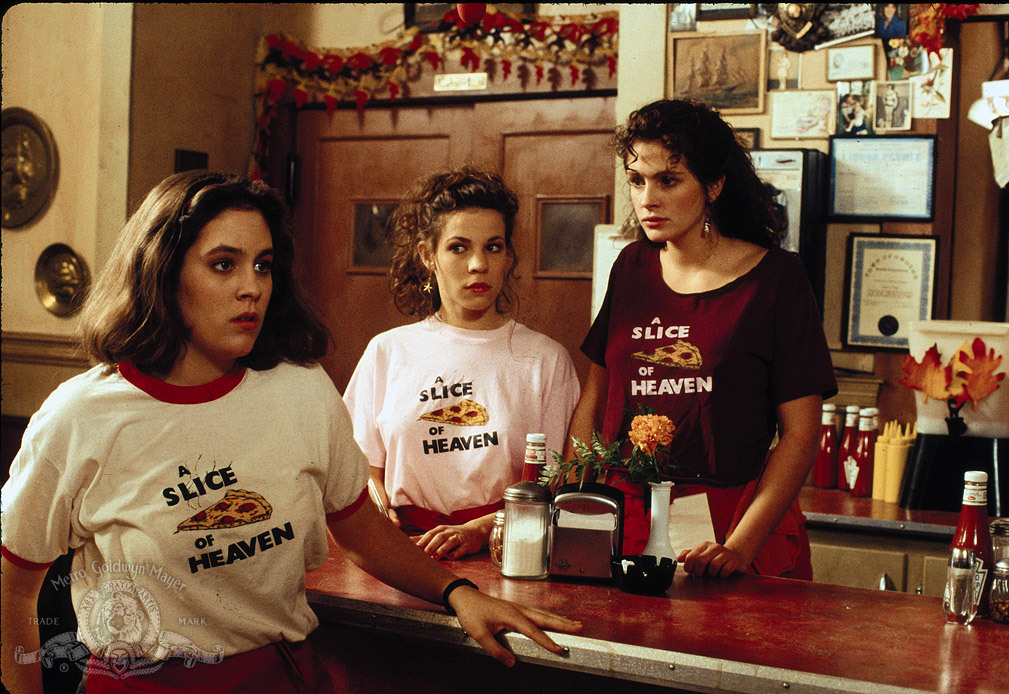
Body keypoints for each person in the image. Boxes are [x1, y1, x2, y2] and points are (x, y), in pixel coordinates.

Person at [0, 170, 582, 694]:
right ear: (163, 269)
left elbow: (361, 532)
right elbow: (13, 593)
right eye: (223, 264)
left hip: (279, 676)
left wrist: (459, 594)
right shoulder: (81, 416)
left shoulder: (299, 389)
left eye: (263, 264)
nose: (251, 286)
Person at [569, 99, 836, 581]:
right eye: (636, 180)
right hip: (621, 512)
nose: (647, 198)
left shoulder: (776, 279)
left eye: (668, 181)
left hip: (728, 519)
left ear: (712, 185)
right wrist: (572, 508)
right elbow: (594, 400)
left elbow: (800, 434)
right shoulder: (631, 266)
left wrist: (740, 547)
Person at [344, 166, 580, 560]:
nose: (477, 265)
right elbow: (360, 466)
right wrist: (379, 507)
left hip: (508, 551)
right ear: (427, 256)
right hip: (403, 552)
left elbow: (557, 484)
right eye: (458, 247)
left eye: (493, 247)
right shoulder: (388, 351)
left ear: (508, 258)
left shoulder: (545, 360)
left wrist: (480, 530)